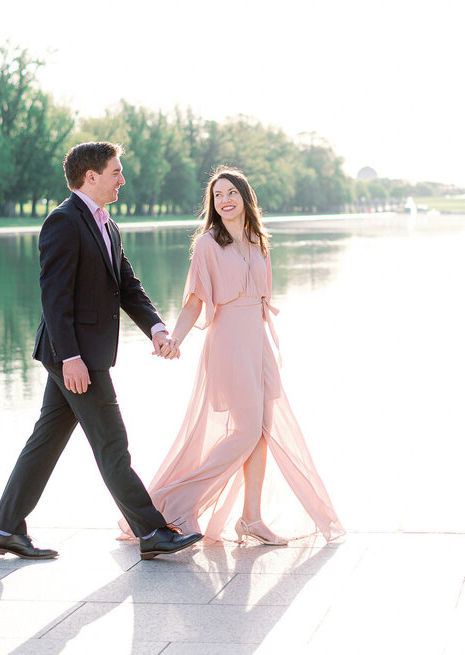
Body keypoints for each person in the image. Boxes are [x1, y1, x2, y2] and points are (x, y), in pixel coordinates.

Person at [0, 142, 202, 560]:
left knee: (45, 442)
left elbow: (128, 285)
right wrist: (70, 358)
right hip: (76, 358)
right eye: (116, 172)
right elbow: (54, 297)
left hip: (83, 356)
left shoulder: (107, 224)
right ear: (92, 176)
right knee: (112, 445)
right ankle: (152, 532)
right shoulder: (63, 222)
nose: (123, 179)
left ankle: (5, 527)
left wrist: (156, 328)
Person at [121, 167, 344, 545]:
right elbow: (195, 301)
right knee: (244, 431)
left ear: (244, 198)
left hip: (257, 342)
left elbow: (262, 297)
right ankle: (178, 502)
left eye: (231, 193)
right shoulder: (209, 244)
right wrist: (175, 338)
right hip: (228, 342)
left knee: (261, 430)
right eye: (217, 195)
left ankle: (251, 518)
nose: (224, 200)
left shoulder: (258, 240)